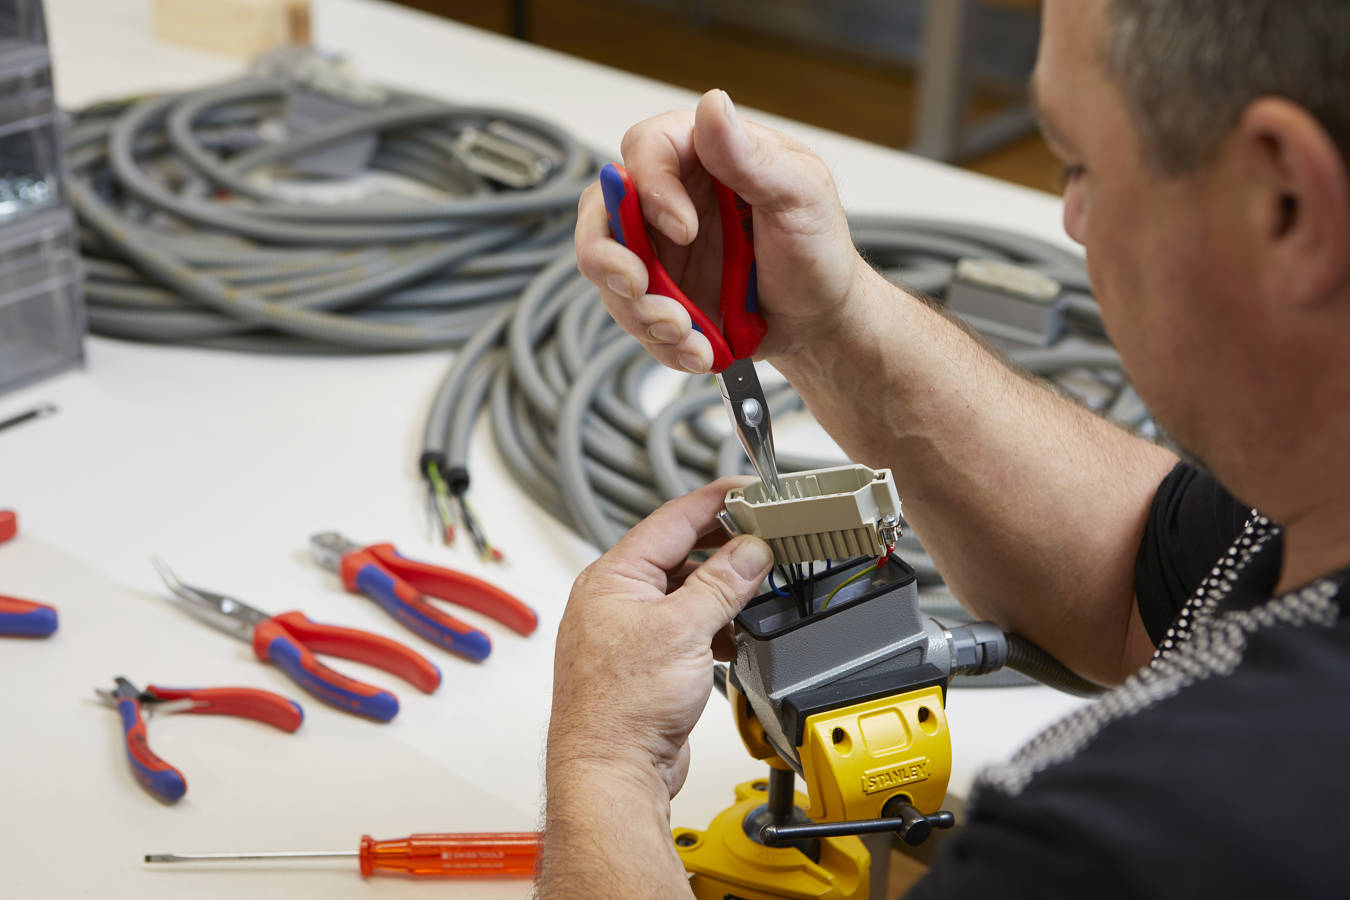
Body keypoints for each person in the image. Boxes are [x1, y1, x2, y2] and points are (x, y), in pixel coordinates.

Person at [538, 0, 1350, 896]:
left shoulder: (1132, 841)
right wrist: (826, 316)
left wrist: (606, 765)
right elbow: (1142, 594)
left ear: (1285, 201)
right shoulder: (1311, 501)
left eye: (1081, 163)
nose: (1073, 220)